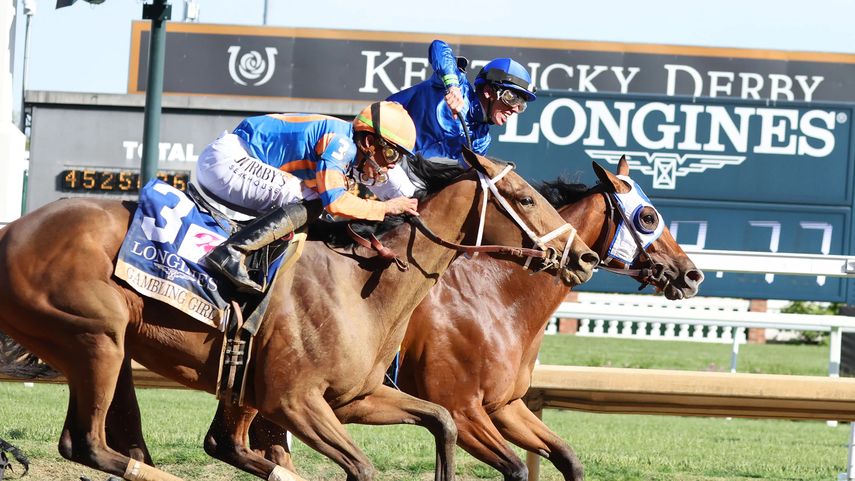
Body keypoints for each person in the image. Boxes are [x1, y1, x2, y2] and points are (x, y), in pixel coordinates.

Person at [195, 101, 419, 293]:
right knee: (314, 200)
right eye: (391, 154)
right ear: (369, 143)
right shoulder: (341, 144)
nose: (391, 164)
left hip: (238, 160)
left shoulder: (359, 149)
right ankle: (230, 252)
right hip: (226, 160)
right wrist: (385, 208)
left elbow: (412, 200)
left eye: (398, 158)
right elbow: (335, 202)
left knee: (312, 206)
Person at [369, 39, 537, 200]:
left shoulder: (481, 142)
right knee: (410, 201)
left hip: (402, 174)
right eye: (512, 98)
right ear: (489, 91)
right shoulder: (457, 84)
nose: (515, 108)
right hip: (374, 144)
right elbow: (438, 47)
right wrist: (452, 87)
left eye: (521, 104)